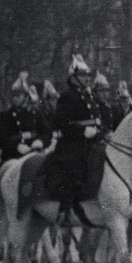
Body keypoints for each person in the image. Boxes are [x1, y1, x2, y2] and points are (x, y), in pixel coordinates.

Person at [43, 55, 103, 215]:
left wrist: (100, 132)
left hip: (91, 143)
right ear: (74, 78)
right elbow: (61, 123)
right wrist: (82, 131)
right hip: (72, 144)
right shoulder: (68, 96)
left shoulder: (89, 98)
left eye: (88, 75)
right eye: (83, 75)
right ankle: (65, 209)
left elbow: (97, 121)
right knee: (73, 169)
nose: (87, 78)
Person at [0, 72, 46, 161]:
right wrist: (16, 146)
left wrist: (40, 141)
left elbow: (46, 133)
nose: (15, 98)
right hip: (13, 156)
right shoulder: (6, 115)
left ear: (26, 97)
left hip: (34, 153)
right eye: (13, 96)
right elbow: (0, 139)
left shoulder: (35, 114)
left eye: (18, 96)